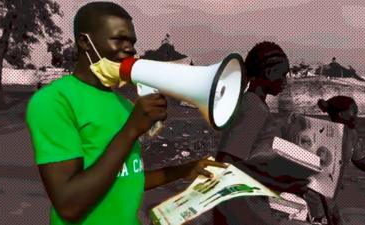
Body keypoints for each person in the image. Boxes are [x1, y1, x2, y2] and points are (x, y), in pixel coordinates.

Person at [25, 2, 226, 225]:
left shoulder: (124, 105)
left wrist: (184, 169)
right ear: (85, 42)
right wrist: (131, 129)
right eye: (119, 39)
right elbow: (69, 205)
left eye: (132, 42)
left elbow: (125, 178)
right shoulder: (54, 101)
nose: (130, 49)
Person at [213, 42, 309, 225]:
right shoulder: (254, 108)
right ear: (269, 73)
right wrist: (283, 185)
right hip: (241, 209)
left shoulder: (250, 103)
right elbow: (227, 164)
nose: (285, 81)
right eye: (282, 75)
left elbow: (247, 158)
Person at [303, 96, 359, 225]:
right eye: (354, 112)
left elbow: (360, 160)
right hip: (320, 197)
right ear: (341, 114)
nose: (357, 116)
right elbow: (320, 177)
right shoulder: (325, 136)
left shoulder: (350, 134)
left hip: (330, 196)